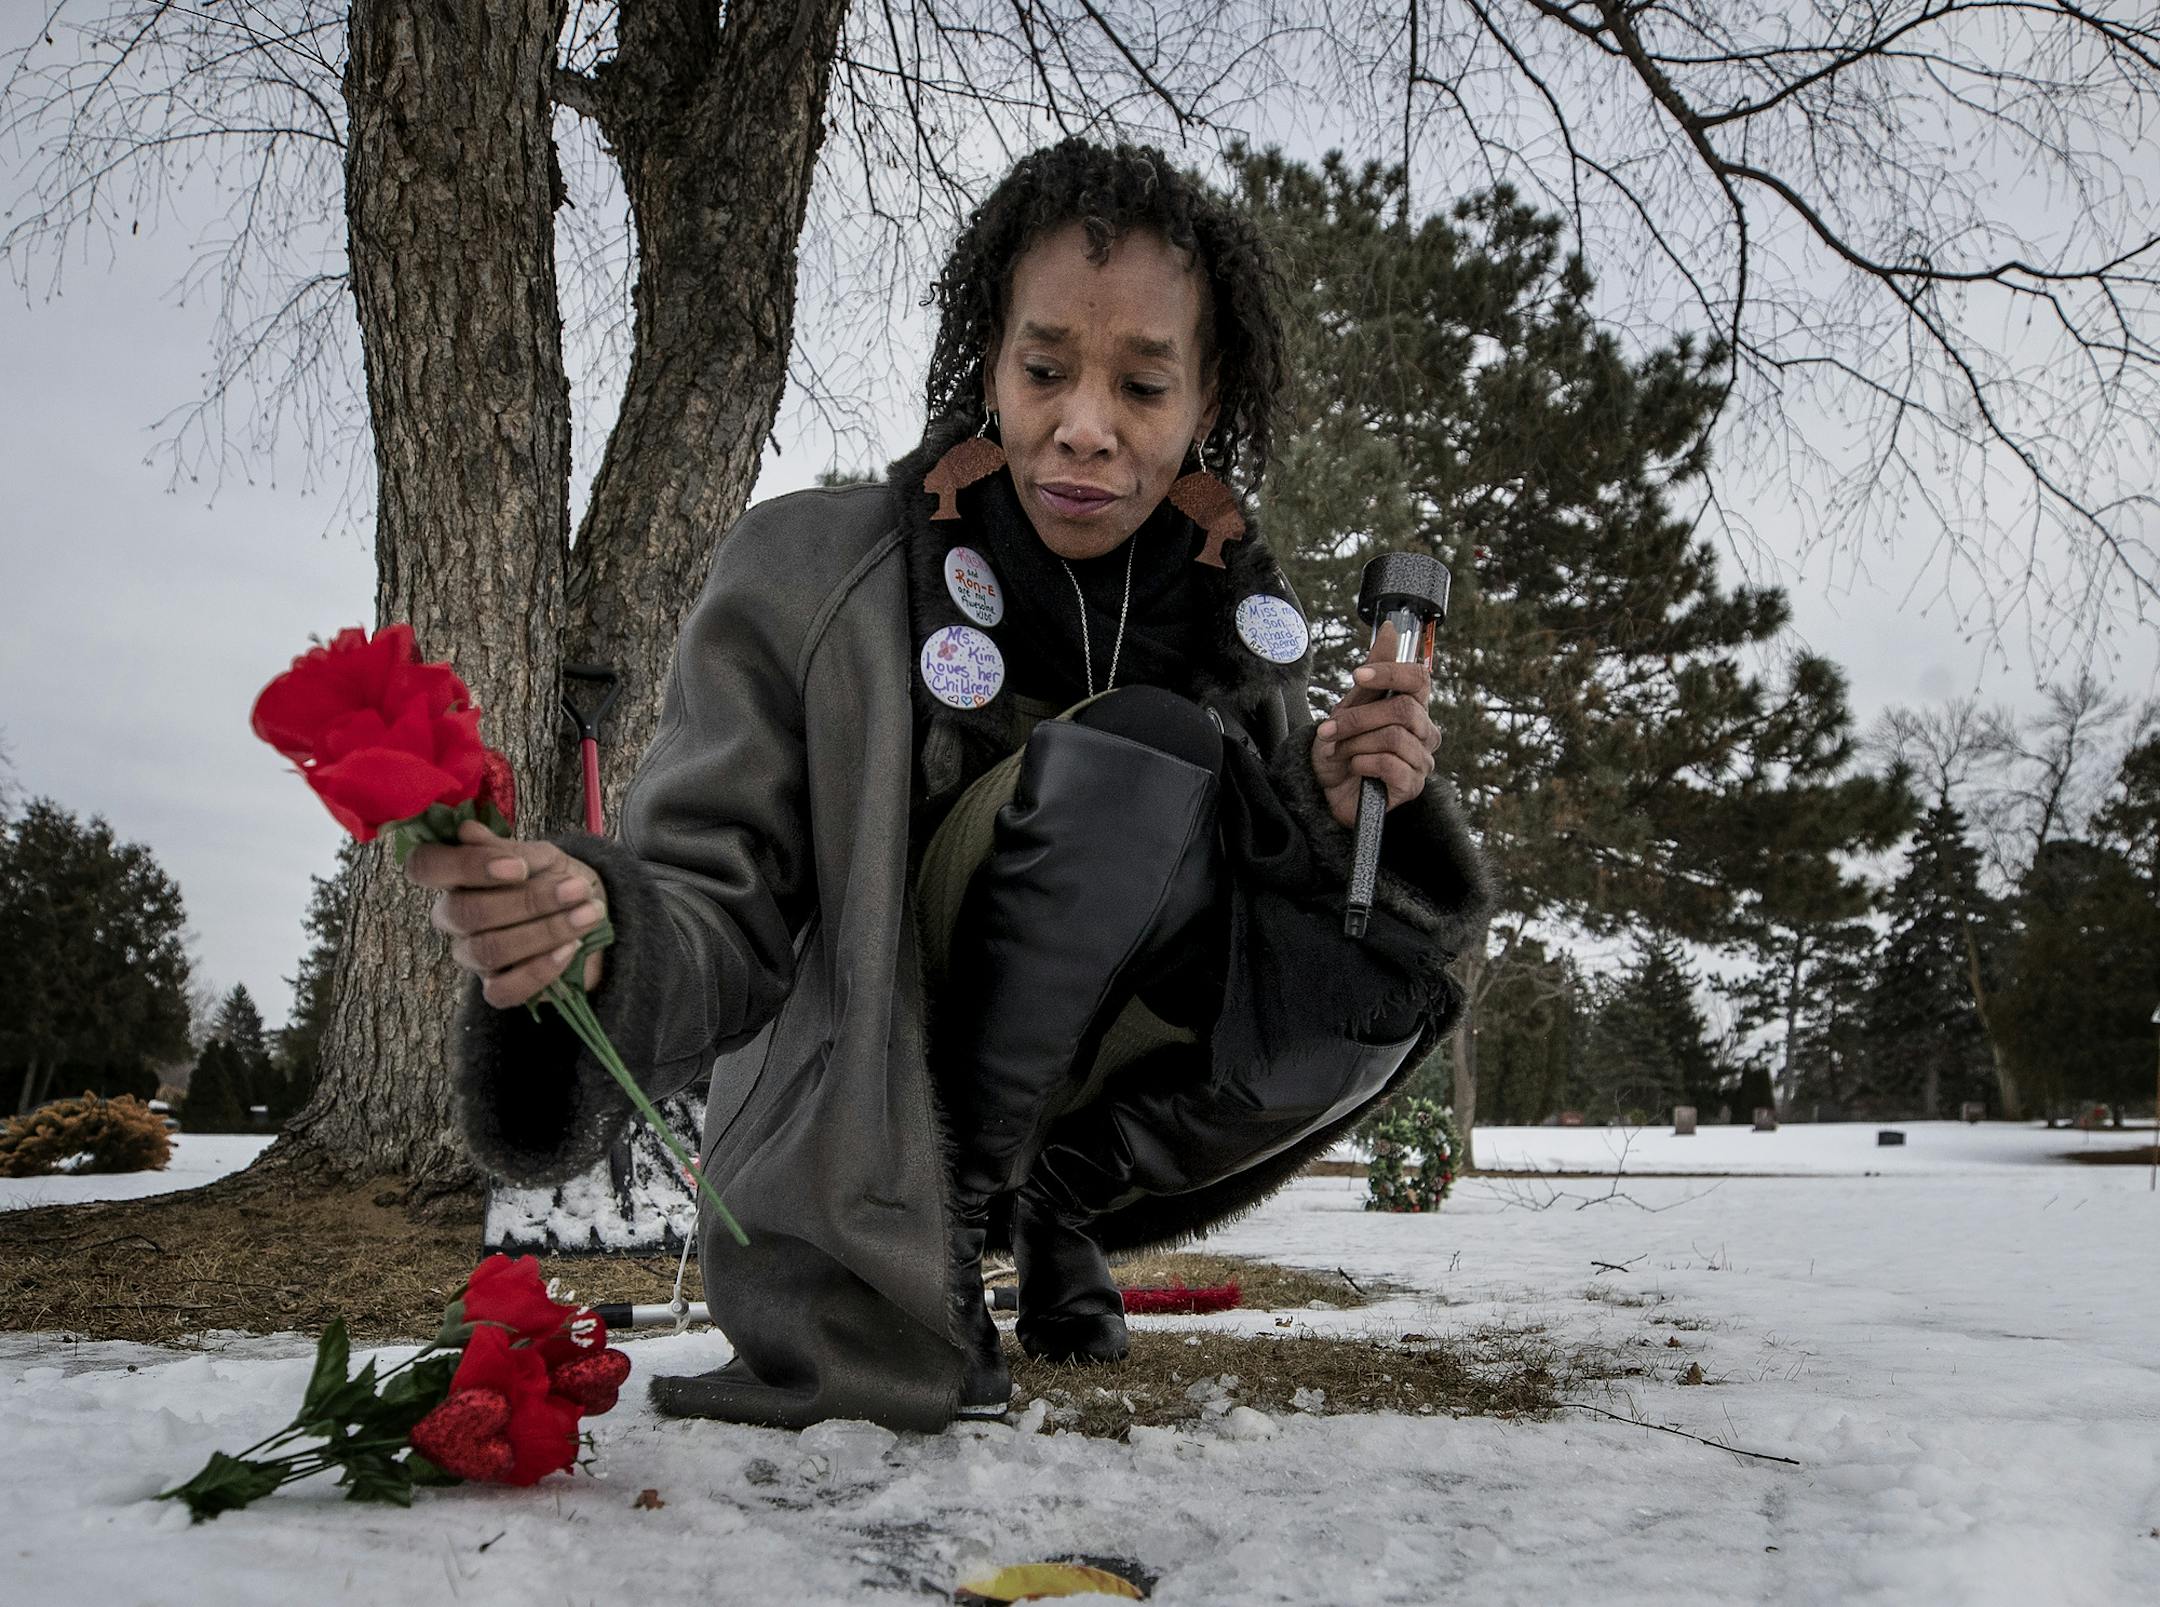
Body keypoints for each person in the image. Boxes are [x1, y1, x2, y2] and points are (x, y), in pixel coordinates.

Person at [407, 139, 1491, 1431]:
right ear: (988, 360)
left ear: (1208, 405)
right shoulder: (814, 572)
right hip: (861, 1113)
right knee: (1139, 756)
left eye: (1143, 387)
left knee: (1380, 946)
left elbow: (1259, 957)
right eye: (1044, 371)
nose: (1084, 427)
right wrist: (600, 933)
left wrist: (1328, 802)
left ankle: (1058, 1202)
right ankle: (947, 1235)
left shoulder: (1236, 626)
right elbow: (717, 902)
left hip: (1082, 1077)